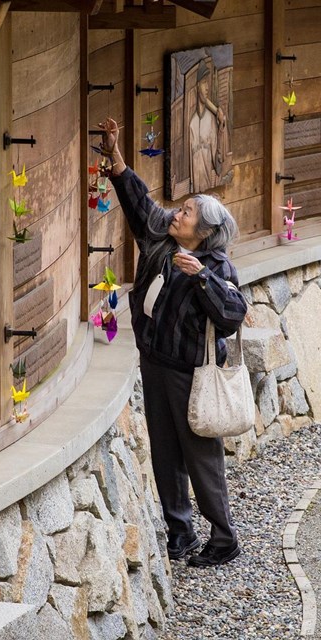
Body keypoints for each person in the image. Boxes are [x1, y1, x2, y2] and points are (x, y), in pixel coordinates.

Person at [99, 117, 248, 567]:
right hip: (155, 361)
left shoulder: (216, 266)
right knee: (165, 453)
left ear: (202, 233)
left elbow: (232, 315)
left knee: (200, 456)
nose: (176, 214)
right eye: (180, 209)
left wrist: (201, 279)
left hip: (191, 372)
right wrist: (117, 158)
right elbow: (141, 204)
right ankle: (180, 533)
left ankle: (223, 538)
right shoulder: (164, 238)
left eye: (185, 213)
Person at [189, 60, 224, 193]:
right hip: (194, 192)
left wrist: (220, 129)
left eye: (208, 82)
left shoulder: (210, 121)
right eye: (204, 82)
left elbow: (218, 166)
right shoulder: (191, 123)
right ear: (197, 86)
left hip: (207, 191)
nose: (207, 87)